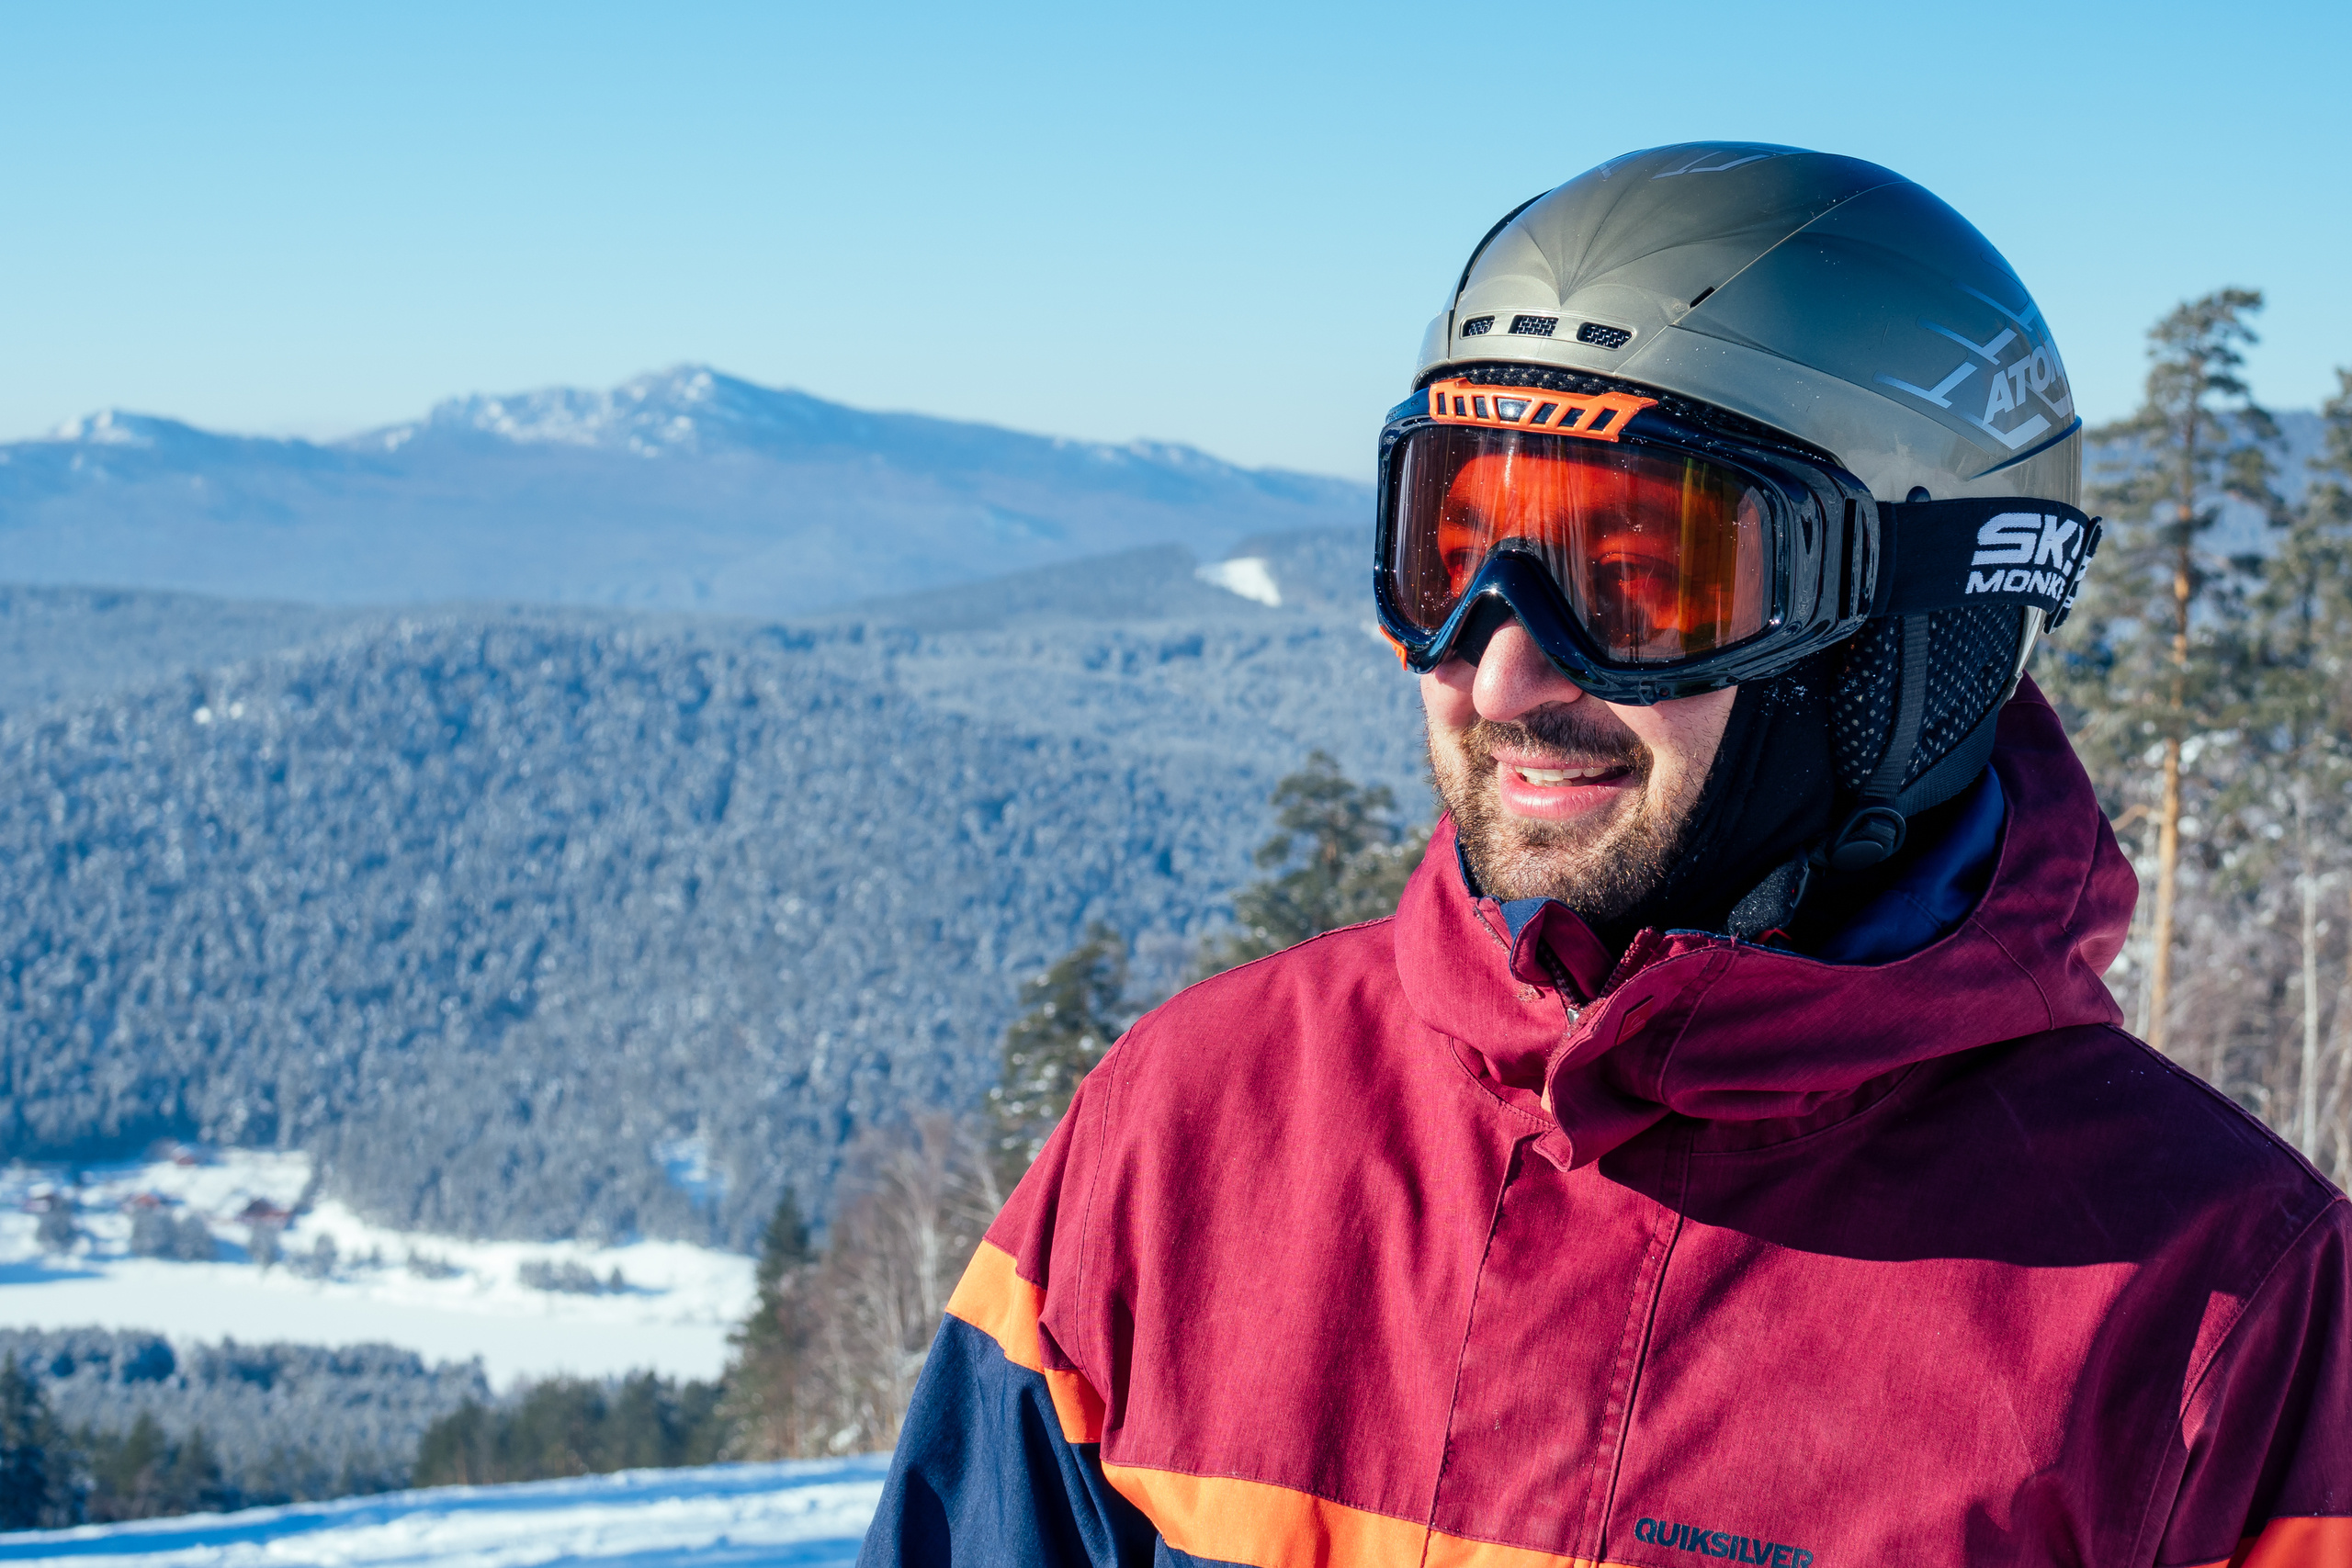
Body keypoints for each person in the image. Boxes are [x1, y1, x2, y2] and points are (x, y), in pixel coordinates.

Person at [860, 144, 2350, 1568]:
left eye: (1643, 585)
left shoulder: (2223, 1311)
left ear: (1918, 641)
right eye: (1451, 558)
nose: (1497, 679)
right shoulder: (1191, 1129)